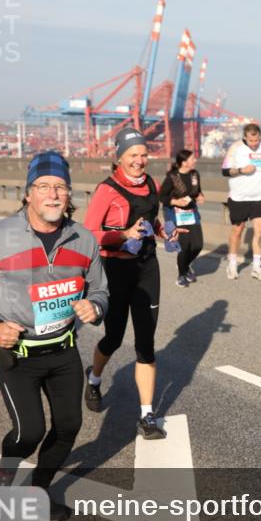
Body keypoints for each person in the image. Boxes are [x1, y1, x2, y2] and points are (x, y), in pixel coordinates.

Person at [0, 152, 108, 521]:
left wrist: (95, 307)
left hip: (64, 352)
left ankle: (39, 489)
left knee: (69, 426)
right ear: (28, 194)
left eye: (61, 187)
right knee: (28, 433)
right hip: (18, 355)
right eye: (44, 187)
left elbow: (101, 289)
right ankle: (4, 477)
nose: (53, 194)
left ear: (69, 195)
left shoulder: (84, 239)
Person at [83, 127, 179, 439]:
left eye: (143, 154)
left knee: (146, 344)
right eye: (133, 155)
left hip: (147, 267)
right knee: (112, 338)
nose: (140, 160)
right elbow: (87, 236)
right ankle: (94, 379)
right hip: (115, 270)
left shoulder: (151, 183)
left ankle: (147, 415)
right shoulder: (106, 190)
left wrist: (166, 232)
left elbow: (151, 222)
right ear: (119, 157)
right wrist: (122, 235)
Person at [221, 123, 261, 281]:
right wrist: (242, 170)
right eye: (251, 141)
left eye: (256, 140)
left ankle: (257, 267)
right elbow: (224, 171)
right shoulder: (235, 148)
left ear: (260, 137)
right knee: (238, 230)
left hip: (259, 196)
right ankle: (232, 264)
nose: (254, 144)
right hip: (239, 197)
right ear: (245, 137)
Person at [160, 149, 205, 288]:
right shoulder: (172, 177)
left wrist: (200, 196)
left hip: (191, 212)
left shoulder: (194, 175)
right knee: (185, 246)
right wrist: (175, 202)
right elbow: (161, 196)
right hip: (175, 213)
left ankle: (184, 265)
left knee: (198, 245)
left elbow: (197, 191)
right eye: (192, 159)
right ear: (184, 162)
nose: (195, 160)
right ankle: (181, 275)